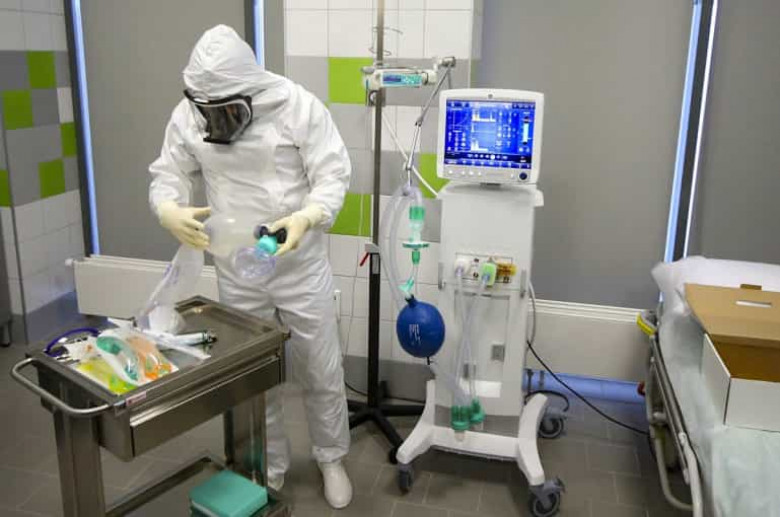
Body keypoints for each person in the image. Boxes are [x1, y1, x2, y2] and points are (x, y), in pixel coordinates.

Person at [148, 24, 353, 509]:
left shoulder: (296, 106)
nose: (217, 122)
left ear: (250, 91)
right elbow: (168, 172)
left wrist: (307, 216)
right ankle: (267, 466)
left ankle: (331, 458)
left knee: (320, 366)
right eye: (209, 112)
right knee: (254, 376)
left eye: (227, 111)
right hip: (238, 267)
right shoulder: (190, 113)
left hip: (297, 262)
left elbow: (333, 174)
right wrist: (167, 208)